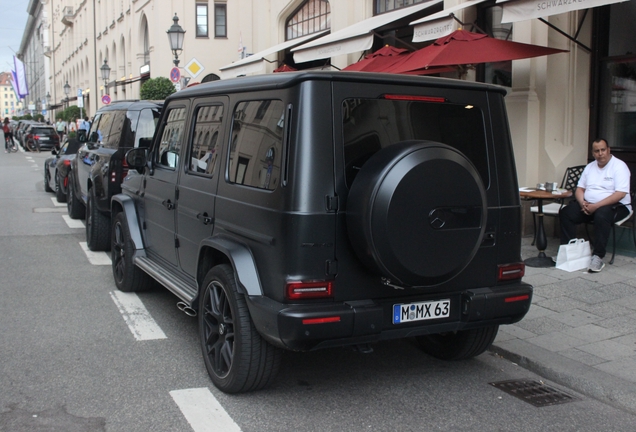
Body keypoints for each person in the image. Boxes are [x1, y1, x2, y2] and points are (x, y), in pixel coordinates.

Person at [559, 138, 631, 272]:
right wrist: (582, 203)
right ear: (593, 153)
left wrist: (596, 206)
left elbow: (620, 194)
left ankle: (598, 256)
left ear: (608, 150)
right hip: (589, 206)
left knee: (602, 215)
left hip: (618, 206)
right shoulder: (590, 167)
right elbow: (580, 189)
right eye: (597, 151)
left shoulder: (619, 166)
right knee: (566, 212)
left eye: (603, 150)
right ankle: (568, 251)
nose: (600, 153)